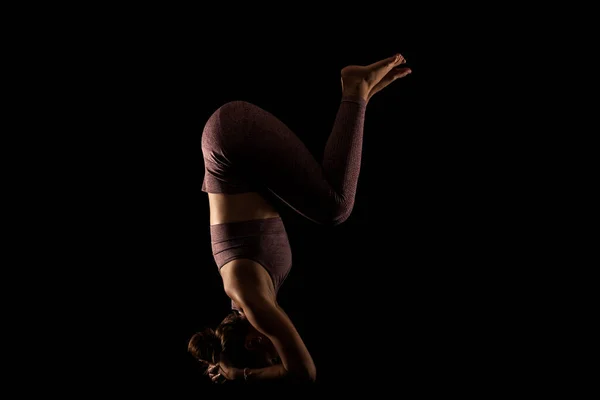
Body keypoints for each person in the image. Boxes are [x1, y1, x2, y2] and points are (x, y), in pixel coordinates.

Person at [188, 53, 412, 383]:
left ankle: (356, 88)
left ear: (255, 341)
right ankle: (361, 95)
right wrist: (223, 360)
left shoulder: (249, 298)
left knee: (334, 209)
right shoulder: (248, 295)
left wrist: (241, 374)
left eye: (269, 354)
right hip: (232, 145)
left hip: (229, 142)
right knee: (328, 204)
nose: (276, 353)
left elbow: (304, 372)